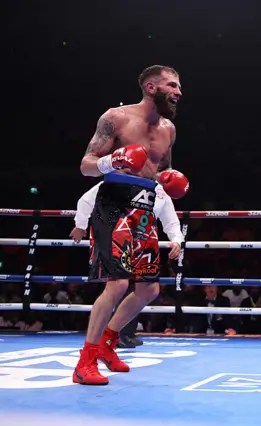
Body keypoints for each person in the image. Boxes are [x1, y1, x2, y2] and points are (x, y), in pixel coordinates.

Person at [71, 65, 190, 385]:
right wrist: (112, 161)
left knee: (149, 289)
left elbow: (161, 171)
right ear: (151, 87)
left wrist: (169, 179)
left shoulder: (168, 129)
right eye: (172, 85)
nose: (179, 92)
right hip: (113, 205)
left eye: (179, 86)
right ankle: (85, 362)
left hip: (145, 208)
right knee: (118, 283)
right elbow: (86, 166)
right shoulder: (116, 117)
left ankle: (108, 343)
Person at [69, 181, 185, 348]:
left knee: (149, 289)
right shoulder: (119, 179)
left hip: (144, 239)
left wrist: (176, 240)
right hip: (116, 234)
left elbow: (171, 221)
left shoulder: (160, 190)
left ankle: (108, 338)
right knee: (118, 285)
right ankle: (91, 348)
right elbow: (86, 200)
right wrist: (80, 225)